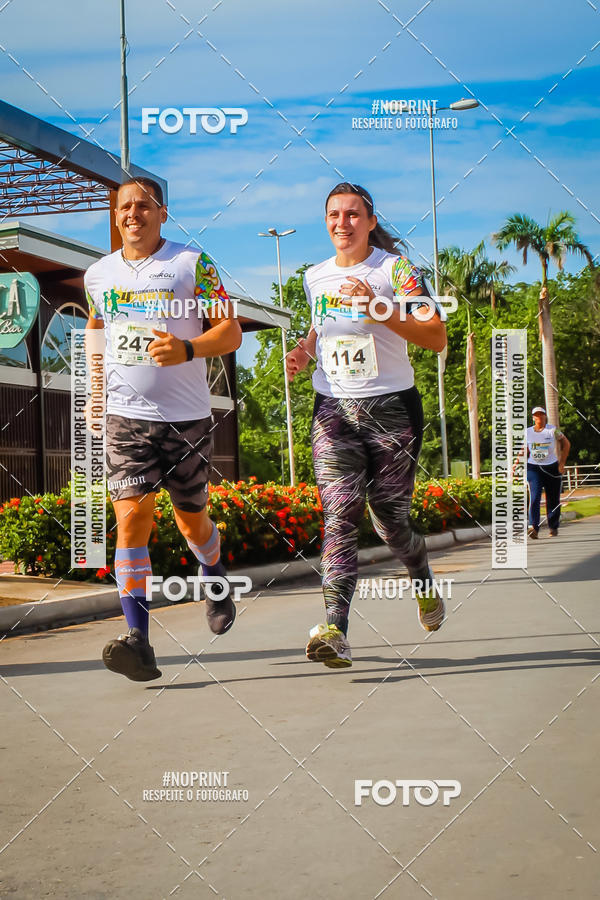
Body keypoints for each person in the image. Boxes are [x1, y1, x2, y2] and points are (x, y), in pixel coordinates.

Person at [85, 177, 242, 681]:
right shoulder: (98, 274)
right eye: (124, 207)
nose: (133, 213)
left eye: (143, 205)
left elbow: (231, 331)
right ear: (116, 217)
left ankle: (213, 574)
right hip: (124, 419)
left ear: (162, 212)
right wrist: (93, 393)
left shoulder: (192, 265)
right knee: (132, 520)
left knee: (192, 521)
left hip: (186, 419)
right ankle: (139, 642)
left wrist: (188, 349)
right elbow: (95, 326)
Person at [286, 182, 447, 669]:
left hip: (392, 409)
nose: (342, 223)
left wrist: (378, 308)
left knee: (391, 524)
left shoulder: (394, 270)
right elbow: (322, 328)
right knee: (339, 515)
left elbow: (436, 334)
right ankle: (335, 628)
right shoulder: (315, 276)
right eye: (334, 215)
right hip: (333, 407)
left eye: (353, 215)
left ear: (371, 221)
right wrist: (303, 350)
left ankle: (421, 576)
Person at [526, 406, 570, 538]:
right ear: (533, 417)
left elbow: (566, 444)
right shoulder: (527, 432)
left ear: (545, 416)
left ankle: (553, 526)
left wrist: (561, 464)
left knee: (553, 499)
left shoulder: (552, 430)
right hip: (533, 468)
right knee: (534, 498)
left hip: (552, 467)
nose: (539, 417)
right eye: (536, 415)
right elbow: (525, 449)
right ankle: (533, 527)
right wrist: (516, 463)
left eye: (541, 414)